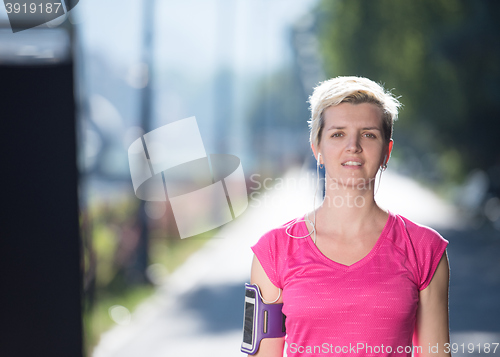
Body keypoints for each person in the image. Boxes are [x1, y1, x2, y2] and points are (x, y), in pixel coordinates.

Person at [249, 76, 451, 357]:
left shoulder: (425, 251)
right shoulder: (272, 253)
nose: (353, 146)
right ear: (316, 148)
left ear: (387, 152)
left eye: (368, 134)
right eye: (338, 134)